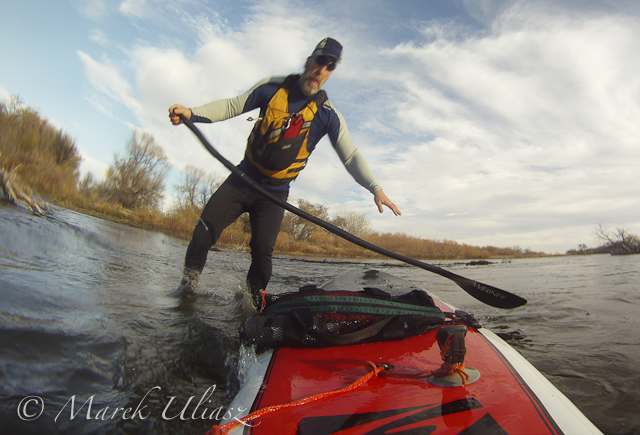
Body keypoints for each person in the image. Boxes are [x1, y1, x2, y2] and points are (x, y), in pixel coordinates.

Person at [169, 37, 401, 308]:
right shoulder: (271, 87)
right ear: (308, 61)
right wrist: (191, 113)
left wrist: (376, 188)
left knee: (262, 253)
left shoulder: (328, 114)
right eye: (319, 62)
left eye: (330, 67)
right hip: (243, 179)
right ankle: (188, 291)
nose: (321, 70)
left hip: (275, 194)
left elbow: (350, 155)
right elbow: (234, 105)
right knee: (202, 234)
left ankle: (251, 307)